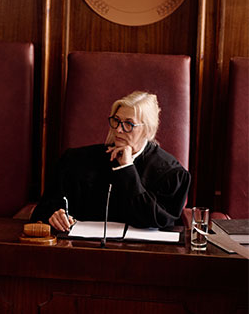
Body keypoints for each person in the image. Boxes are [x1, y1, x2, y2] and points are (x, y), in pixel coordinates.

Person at [31, 91, 191, 232]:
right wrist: (53, 213)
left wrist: (127, 168)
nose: (119, 130)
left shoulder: (172, 173)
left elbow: (154, 220)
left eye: (129, 124)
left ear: (147, 129)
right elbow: (45, 207)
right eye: (116, 121)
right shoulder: (76, 160)